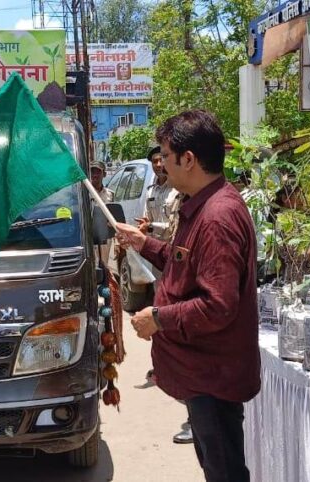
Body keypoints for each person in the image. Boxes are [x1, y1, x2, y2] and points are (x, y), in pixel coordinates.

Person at [115, 110, 260, 482]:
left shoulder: (217, 216)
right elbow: (184, 263)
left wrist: (158, 319)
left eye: (165, 155)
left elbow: (218, 305)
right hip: (203, 373)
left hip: (213, 373)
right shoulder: (200, 205)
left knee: (224, 470)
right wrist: (144, 243)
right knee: (217, 466)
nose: (161, 164)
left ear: (189, 159)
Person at [135, 145, 189, 444]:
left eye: (163, 159)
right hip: (157, 258)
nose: (159, 165)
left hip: (175, 258)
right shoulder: (153, 189)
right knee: (161, 307)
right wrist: (143, 228)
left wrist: (149, 229)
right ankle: (164, 363)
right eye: (156, 161)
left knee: (173, 312)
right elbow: (147, 217)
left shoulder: (179, 192)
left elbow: (173, 226)